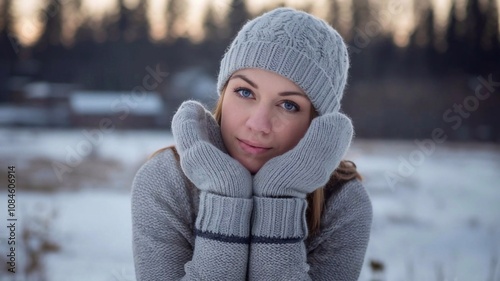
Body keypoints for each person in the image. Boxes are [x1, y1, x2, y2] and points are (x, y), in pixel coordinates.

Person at [131, 7, 372, 281]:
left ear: (317, 124)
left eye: (289, 105)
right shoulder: (165, 182)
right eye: (245, 92)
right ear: (224, 93)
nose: (258, 124)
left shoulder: (342, 202)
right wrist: (225, 195)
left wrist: (279, 198)